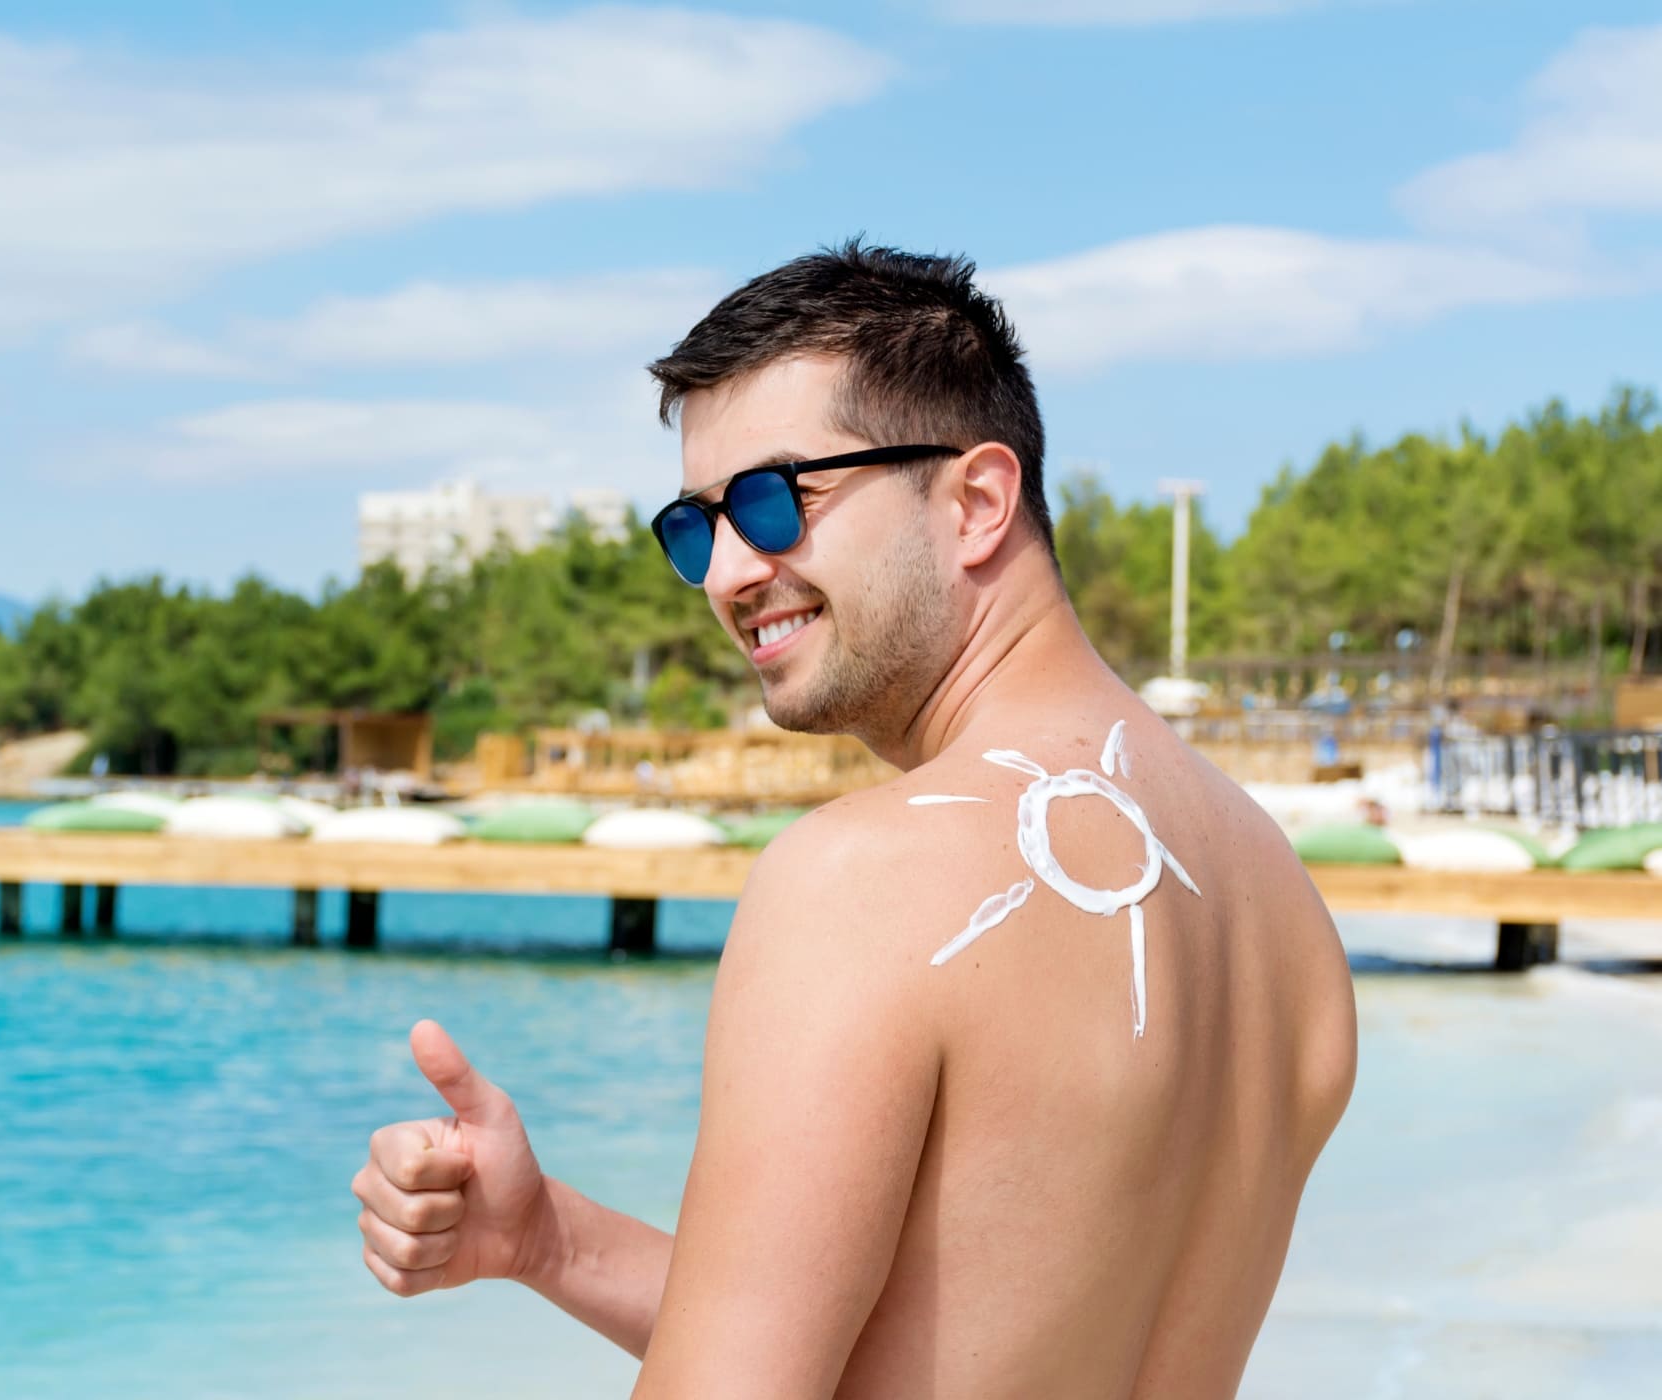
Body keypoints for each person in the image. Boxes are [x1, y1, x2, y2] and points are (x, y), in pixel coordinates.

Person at [352, 242, 1357, 1398]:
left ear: (976, 498)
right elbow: (973, 1327)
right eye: (696, 526)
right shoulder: (1277, 903)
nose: (728, 570)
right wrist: (550, 1243)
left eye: (777, 500)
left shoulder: (863, 877)